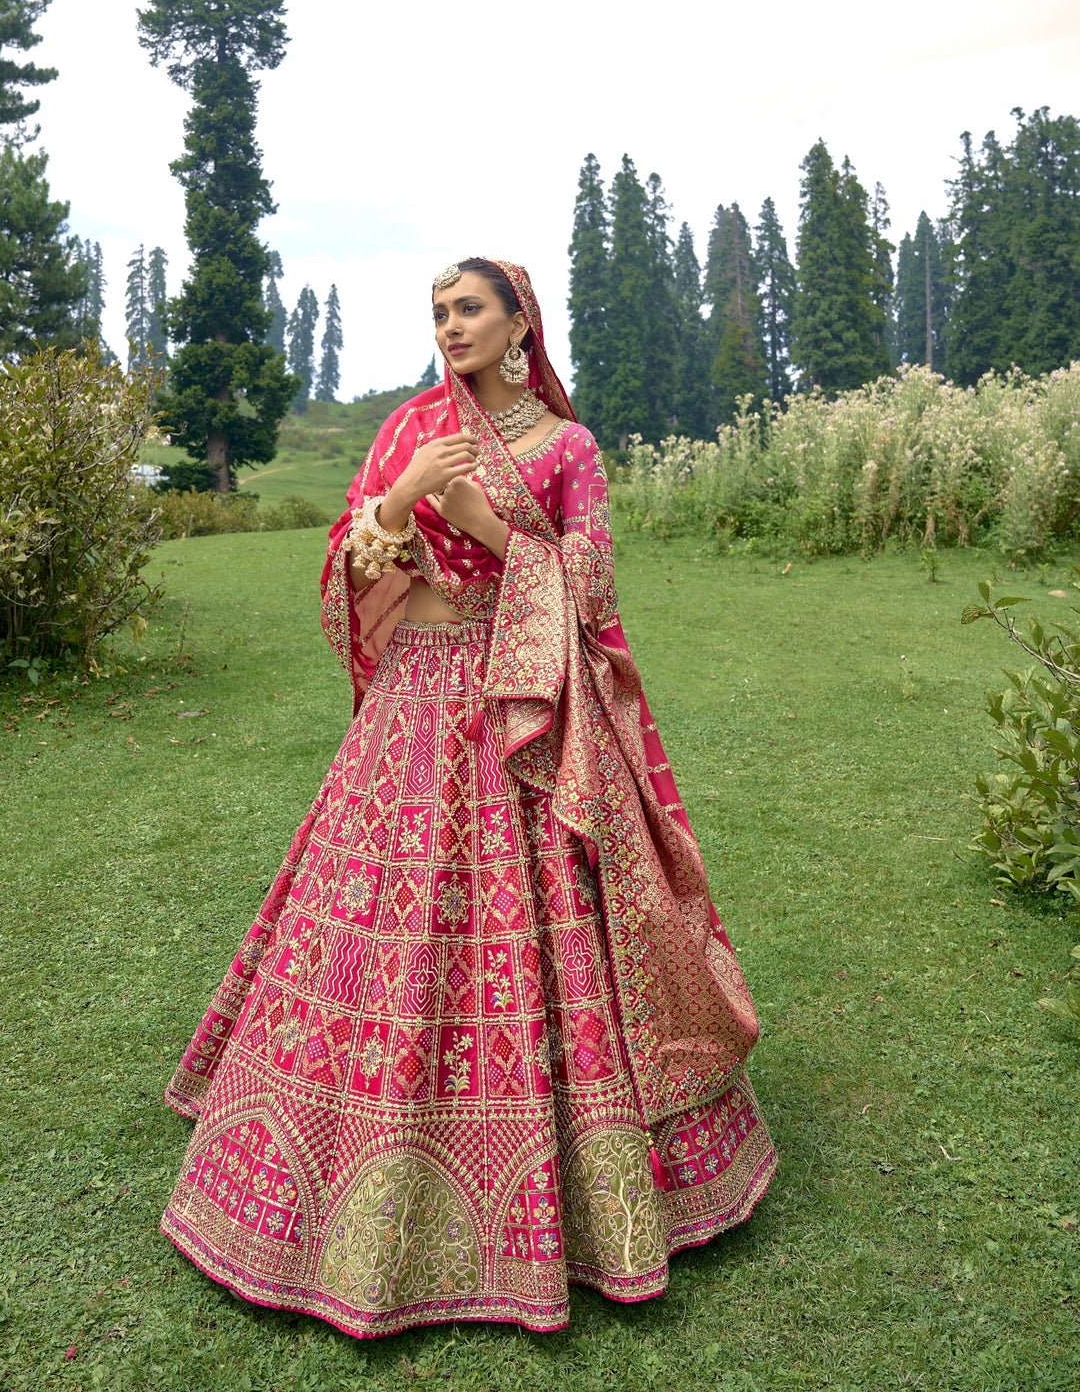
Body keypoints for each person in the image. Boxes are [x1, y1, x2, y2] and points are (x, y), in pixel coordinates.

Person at [160, 257, 776, 1338]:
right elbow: (357, 559)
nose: (451, 326)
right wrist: (402, 499)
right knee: (385, 923)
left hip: (522, 706)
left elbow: (591, 583)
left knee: (543, 930)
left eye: (471, 309)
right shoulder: (410, 427)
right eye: (439, 311)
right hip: (412, 707)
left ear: (519, 322)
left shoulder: (568, 445)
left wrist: (481, 521)